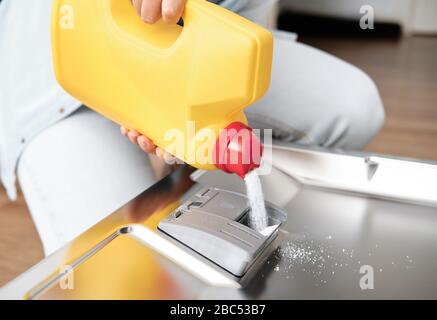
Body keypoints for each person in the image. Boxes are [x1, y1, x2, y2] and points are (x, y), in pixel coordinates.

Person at [0, 0, 385, 256]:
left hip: (198, 49)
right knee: (126, 263)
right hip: (61, 77)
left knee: (354, 107)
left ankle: (205, 209)